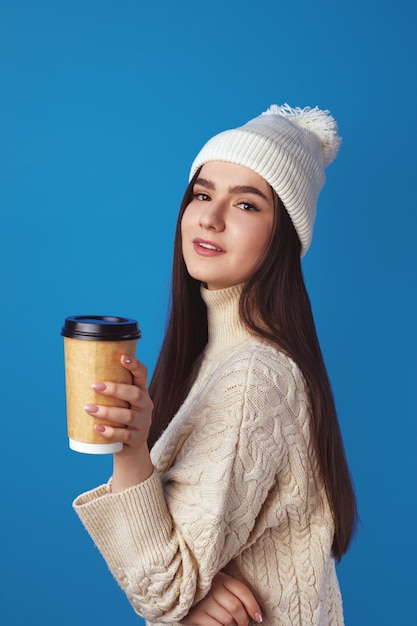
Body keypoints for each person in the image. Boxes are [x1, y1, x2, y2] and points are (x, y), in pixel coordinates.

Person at [73, 103, 357, 626]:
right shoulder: (213, 355)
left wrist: (132, 452)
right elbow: (178, 582)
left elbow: (163, 589)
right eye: (202, 194)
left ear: (284, 239)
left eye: (247, 205)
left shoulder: (254, 375)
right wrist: (196, 590)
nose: (210, 216)